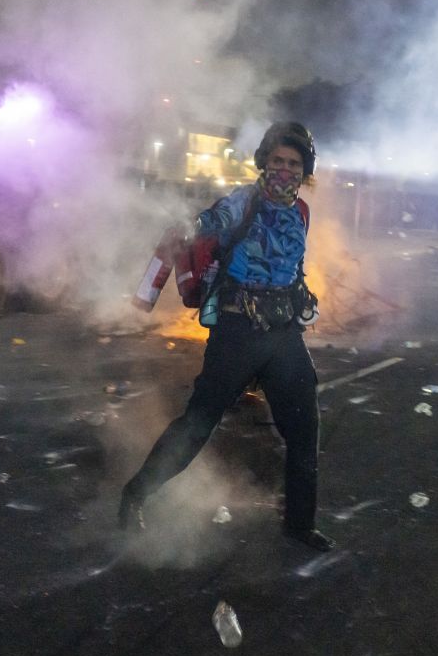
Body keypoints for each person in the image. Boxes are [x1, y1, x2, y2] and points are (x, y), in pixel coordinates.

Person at [119, 122, 334, 552]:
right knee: (198, 425)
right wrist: (192, 222)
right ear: (264, 162)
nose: (284, 170)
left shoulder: (302, 213)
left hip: (282, 334)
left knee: (304, 430)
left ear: (304, 169)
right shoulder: (244, 201)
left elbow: (292, 267)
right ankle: (134, 496)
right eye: (277, 161)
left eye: (293, 164)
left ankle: (298, 524)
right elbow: (214, 219)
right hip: (236, 331)